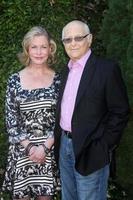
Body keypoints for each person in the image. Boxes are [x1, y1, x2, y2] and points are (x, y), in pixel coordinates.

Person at [54, 20, 130, 200]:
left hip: (91, 149)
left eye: (78, 38)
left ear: (90, 39)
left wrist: (103, 146)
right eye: (67, 39)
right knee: (68, 196)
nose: (73, 43)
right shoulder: (65, 71)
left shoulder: (106, 69)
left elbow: (120, 111)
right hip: (64, 145)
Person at [2, 26, 60, 200]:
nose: (39, 52)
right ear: (27, 49)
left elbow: (63, 118)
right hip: (22, 151)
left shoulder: (60, 79)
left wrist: (44, 148)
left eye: (43, 46)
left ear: (50, 49)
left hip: (48, 151)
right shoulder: (14, 80)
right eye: (34, 47)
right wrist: (30, 148)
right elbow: (11, 120)